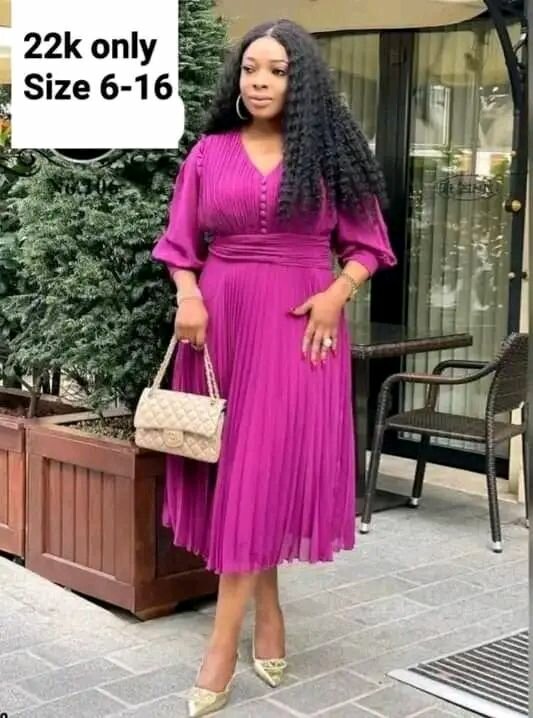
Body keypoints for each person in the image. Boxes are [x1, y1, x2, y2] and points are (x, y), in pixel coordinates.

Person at [151, 18, 397, 717]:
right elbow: (178, 244)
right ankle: (270, 610)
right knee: (237, 474)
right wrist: (189, 296)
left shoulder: (328, 157)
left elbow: (368, 245)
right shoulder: (209, 152)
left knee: (261, 471)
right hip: (219, 323)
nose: (260, 81)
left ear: (302, 81)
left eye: (278, 70)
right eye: (251, 68)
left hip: (300, 329)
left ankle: (220, 651)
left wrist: (336, 294)